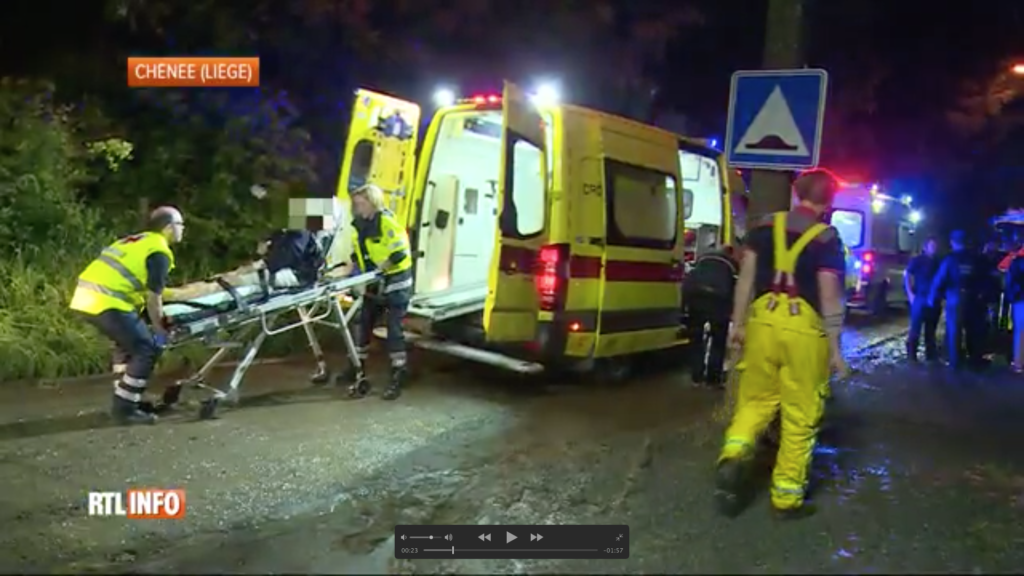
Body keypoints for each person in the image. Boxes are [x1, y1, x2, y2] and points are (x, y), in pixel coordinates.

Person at [715, 170, 849, 520]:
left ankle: (733, 455)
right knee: (800, 414)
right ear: (828, 202)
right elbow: (829, 295)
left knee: (755, 401)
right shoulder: (827, 238)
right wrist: (835, 348)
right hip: (804, 330)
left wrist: (738, 324)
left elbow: (745, 279)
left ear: (795, 192)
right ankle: (786, 499)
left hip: (763, 322)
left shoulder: (763, 228)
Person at [68, 207, 185, 425]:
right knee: (146, 348)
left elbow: (136, 283)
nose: (182, 229)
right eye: (180, 225)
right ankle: (125, 409)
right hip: (108, 302)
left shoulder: (133, 241)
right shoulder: (159, 251)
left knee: (126, 347)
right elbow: (153, 298)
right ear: (169, 228)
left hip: (86, 298)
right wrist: (160, 328)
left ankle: (127, 398)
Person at [344, 184, 413, 400]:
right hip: (374, 281)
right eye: (356, 204)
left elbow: (400, 253)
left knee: (394, 329)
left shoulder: (387, 223)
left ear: (373, 203)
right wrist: (350, 271)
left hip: (396, 282)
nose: (358, 208)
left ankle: (398, 373)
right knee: (363, 324)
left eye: (361, 203)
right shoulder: (360, 225)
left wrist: (382, 268)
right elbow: (359, 254)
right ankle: (356, 368)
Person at [928, 230, 992, 370]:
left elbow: (939, 279)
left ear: (952, 242)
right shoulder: (976, 258)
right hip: (973, 298)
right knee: (973, 330)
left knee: (954, 330)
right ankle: (974, 360)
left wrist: (932, 298)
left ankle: (955, 361)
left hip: (955, 297)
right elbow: (986, 279)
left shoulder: (950, 259)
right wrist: (983, 296)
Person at [683, 243, 738, 388]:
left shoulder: (702, 259)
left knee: (696, 339)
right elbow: (735, 289)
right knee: (718, 341)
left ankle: (696, 376)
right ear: (731, 253)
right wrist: (733, 312)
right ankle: (713, 379)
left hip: (696, 298)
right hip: (718, 301)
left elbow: (689, 280)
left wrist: (685, 305)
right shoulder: (732, 265)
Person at [904, 237, 941, 362]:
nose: (934, 248)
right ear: (925, 247)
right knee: (916, 328)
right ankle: (912, 355)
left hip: (934, 299)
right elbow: (907, 274)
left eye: (935, 245)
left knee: (931, 329)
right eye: (932, 245)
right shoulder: (918, 260)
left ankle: (930, 355)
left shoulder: (938, 262)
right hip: (920, 297)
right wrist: (910, 293)